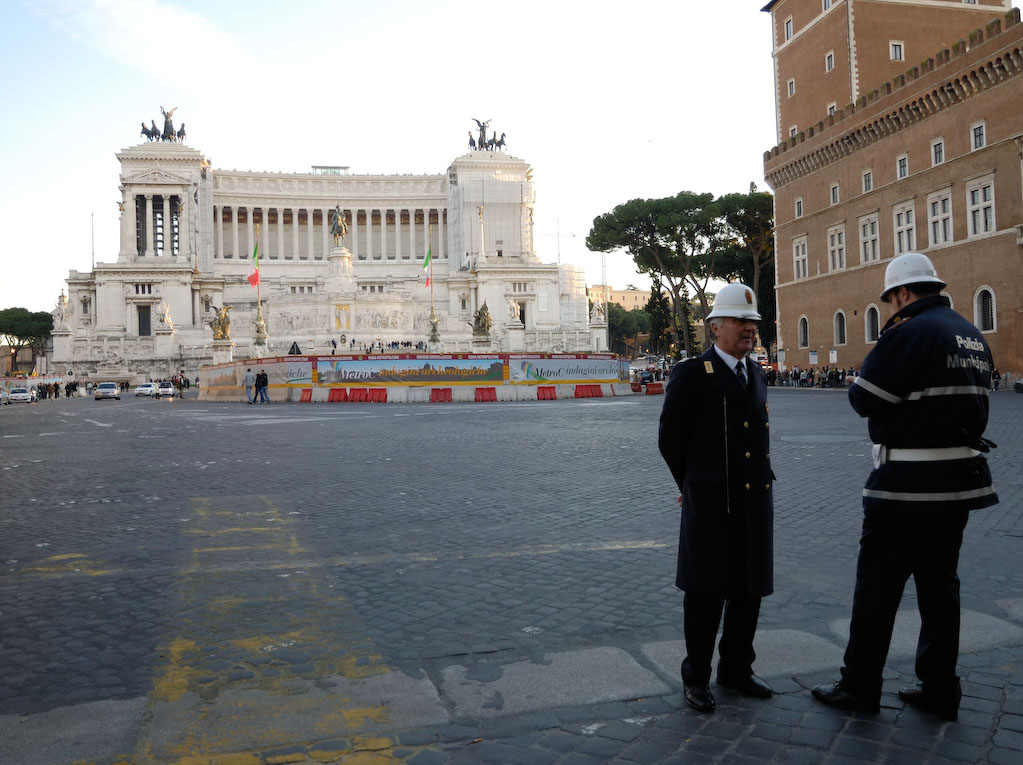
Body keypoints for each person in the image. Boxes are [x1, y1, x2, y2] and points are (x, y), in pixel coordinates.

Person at [812, 252, 998, 721]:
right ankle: (940, 687)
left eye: (892, 301)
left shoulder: (909, 330)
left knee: (877, 590)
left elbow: (863, 398)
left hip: (905, 484)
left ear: (901, 294)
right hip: (958, 482)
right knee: (940, 588)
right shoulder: (970, 333)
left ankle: (860, 685)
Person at [658, 282, 775, 713]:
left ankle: (737, 669)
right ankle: (698, 677)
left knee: (749, 590)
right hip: (712, 502)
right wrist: (689, 485)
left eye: (753, 322)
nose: (750, 329)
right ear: (715, 327)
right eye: (741, 322)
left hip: (754, 502)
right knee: (706, 593)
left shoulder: (756, 372)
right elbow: (670, 439)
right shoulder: (692, 374)